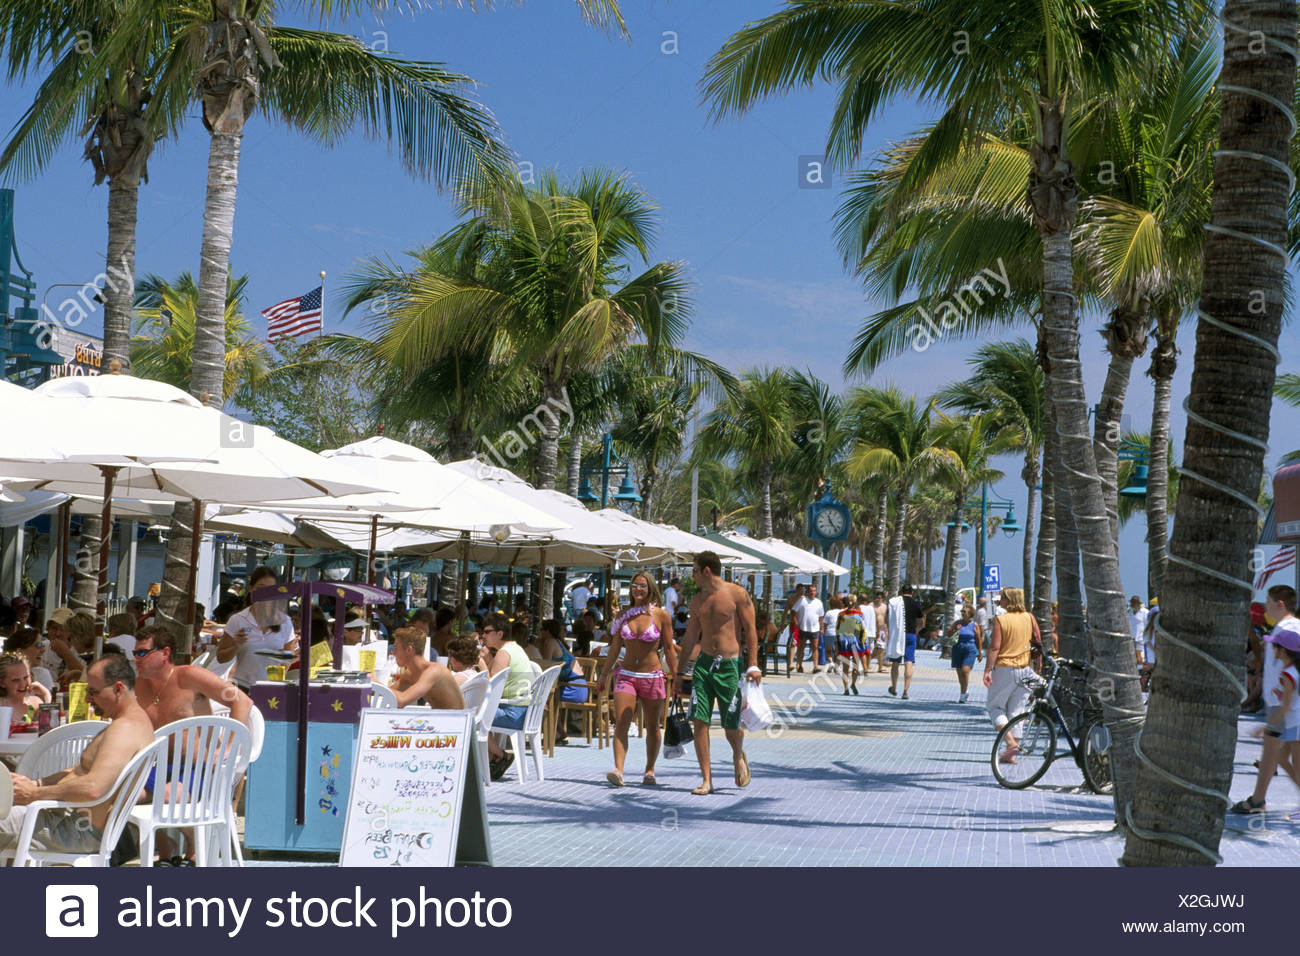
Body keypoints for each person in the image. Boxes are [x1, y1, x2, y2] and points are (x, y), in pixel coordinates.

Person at [0, 656, 155, 858]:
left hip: (75, 830)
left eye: (93, 692)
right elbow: (78, 772)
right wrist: (36, 783)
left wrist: (34, 794)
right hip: (69, 821)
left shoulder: (124, 730)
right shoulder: (132, 722)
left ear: (118, 689)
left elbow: (93, 788)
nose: (87, 699)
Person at [673, 551, 759, 796]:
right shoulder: (698, 600)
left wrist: (753, 665)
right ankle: (706, 780)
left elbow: (751, 630)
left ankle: (737, 754)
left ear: (707, 571)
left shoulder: (736, 594)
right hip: (703, 666)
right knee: (700, 721)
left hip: (730, 665)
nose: (694, 575)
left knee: (731, 726)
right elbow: (690, 636)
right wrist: (679, 673)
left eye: (695, 571)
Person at [597, 572, 677, 787]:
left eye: (642, 586)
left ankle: (649, 770)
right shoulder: (623, 615)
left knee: (653, 726)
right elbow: (615, 648)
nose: (638, 589)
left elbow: (669, 649)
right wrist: (604, 674)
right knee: (621, 721)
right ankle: (619, 770)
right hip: (626, 675)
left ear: (650, 588)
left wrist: (676, 678)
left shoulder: (661, 615)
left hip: (652, 676)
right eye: (634, 585)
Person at [1231, 585, 1300, 814]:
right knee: (1278, 755)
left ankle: (1257, 801)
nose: (1266, 606)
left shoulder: (1290, 628)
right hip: (1280, 701)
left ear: (1280, 604)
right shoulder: (1284, 627)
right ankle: (1258, 799)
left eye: (1269, 601)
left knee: (1277, 754)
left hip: (1284, 703)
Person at [217, 565, 298, 692]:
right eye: (260, 589)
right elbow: (221, 658)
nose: (265, 594)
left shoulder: (285, 621)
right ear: (251, 589)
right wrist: (235, 645)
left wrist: (289, 659)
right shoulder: (238, 620)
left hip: (273, 690)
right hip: (242, 688)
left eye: (270, 589)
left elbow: (288, 658)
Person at [982, 587, 1041, 763]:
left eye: (1003, 599)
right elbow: (1037, 643)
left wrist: (987, 670)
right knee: (1017, 711)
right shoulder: (1030, 617)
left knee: (994, 707)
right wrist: (1038, 666)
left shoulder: (1001, 619)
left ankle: (1009, 743)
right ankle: (1012, 753)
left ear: (1010, 600)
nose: (1001, 602)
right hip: (1025, 669)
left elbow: (995, 647)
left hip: (1005, 668)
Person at [483, 612, 534, 780]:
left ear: (500, 633)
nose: (483, 635)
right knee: (478, 717)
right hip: (522, 711)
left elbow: (491, 686)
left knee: (473, 720)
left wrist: (481, 663)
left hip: (513, 713)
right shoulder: (514, 648)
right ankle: (493, 760)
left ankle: (502, 756)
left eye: (486, 631)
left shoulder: (504, 653)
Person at [388, 627, 465, 709]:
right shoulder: (411, 673)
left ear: (409, 649)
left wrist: (374, 681)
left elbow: (402, 701)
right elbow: (386, 693)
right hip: (440, 718)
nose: (393, 653)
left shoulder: (434, 671)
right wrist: (373, 682)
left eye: (396, 647)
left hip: (455, 720)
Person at [886, 585, 924, 699]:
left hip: (898, 635)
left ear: (901, 592)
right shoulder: (916, 604)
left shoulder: (896, 603)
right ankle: (906, 691)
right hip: (911, 635)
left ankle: (893, 687)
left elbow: (889, 618)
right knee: (909, 662)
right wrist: (916, 631)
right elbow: (921, 622)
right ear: (912, 592)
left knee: (895, 662)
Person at [947, 604, 983, 703]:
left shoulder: (974, 625)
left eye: (965, 611)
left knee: (965, 671)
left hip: (970, 648)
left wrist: (980, 652)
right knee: (959, 673)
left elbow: (978, 639)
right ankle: (964, 690)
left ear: (970, 613)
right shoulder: (957, 623)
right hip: (957, 648)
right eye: (962, 611)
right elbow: (949, 634)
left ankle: (963, 695)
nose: (962, 613)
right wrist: (955, 630)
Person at [0, 653, 49, 719]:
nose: (23, 684)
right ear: (2, 683)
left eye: (26, 677)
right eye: (16, 680)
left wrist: (46, 695)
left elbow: (47, 725)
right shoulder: (2, 706)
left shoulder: (34, 703)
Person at [834, 597, 866, 695]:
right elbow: (863, 630)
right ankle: (852, 685)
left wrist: (837, 642)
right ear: (855, 603)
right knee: (855, 667)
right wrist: (863, 643)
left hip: (844, 643)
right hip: (856, 643)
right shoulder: (859, 615)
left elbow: (837, 629)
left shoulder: (841, 615)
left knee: (845, 667)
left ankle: (846, 688)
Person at [794, 585, 825, 674]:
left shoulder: (819, 602)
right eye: (811, 591)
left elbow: (821, 616)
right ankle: (799, 665)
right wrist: (796, 622)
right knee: (801, 648)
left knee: (815, 647)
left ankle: (815, 666)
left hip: (814, 628)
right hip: (803, 627)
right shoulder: (802, 600)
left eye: (814, 591)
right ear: (807, 592)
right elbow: (794, 611)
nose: (812, 593)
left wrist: (822, 628)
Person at [783, 585, 806, 673]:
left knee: (801, 646)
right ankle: (790, 664)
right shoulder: (791, 600)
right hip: (794, 625)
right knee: (793, 644)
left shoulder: (806, 600)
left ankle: (799, 664)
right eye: (800, 589)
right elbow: (785, 612)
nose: (802, 591)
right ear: (797, 590)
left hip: (804, 625)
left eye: (803, 589)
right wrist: (782, 624)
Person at [1128, 596, 1149, 665]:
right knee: (1132, 657)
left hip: (1141, 638)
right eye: (1132, 603)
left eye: (1134, 603)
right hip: (1131, 638)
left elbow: (1148, 624)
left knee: (1140, 656)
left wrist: (1147, 637)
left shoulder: (1145, 612)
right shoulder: (1130, 613)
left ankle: (1142, 672)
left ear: (1138, 603)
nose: (1132, 605)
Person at [871, 591, 888, 673]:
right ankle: (866, 661)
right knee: (872, 649)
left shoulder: (885, 607)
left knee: (881, 648)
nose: (878, 599)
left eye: (879, 598)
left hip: (882, 629)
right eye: (876, 598)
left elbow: (887, 618)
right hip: (873, 628)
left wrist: (887, 629)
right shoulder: (871, 606)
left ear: (882, 599)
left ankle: (880, 667)